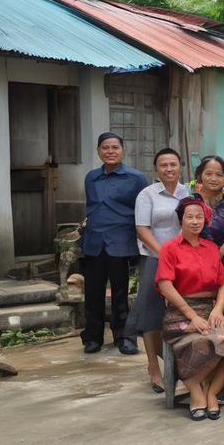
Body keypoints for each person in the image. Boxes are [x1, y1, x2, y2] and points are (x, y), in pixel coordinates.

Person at [156, 196, 224, 421]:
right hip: (179, 313)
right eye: (189, 217)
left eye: (199, 217)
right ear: (181, 220)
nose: (194, 221)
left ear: (205, 220)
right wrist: (191, 315)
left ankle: (211, 394)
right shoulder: (169, 249)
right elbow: (164, 285)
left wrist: (218, 310)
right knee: (198, 342)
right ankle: (196, 393)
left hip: (209, 310)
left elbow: (222, 283)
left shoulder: (211, 248)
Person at [81, 132, 148, 355]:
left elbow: (143, 209)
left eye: (114, 147)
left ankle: (124, 337)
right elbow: (92, 207)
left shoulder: (136, 178)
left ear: (122, 150)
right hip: (93, 242)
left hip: (120, 242)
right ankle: (92, 338)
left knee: (120, 294)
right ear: (99, 151)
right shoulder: (91, 177)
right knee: (92, 293)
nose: (110, 152)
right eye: (105, 148)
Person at [128, 148, 188, 392]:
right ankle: (153, 365)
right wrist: (164, 252)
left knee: (180, 309)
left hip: (183, 258)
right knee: (151, 313)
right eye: (163, 165)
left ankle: (182, 362)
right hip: (155, 257)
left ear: (180, 166)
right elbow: (142, 229)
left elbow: (193, 221)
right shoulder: (147, 194)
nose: (169, 169)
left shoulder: (188, 192)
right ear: (156, 169)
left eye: (173, 164)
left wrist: (179, 252)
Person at [195, 156, 224, 272]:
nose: (214, 179)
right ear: (200, 176)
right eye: (208, 174)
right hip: (193, 261)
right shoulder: (189, 202)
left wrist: (218, 255)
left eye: (219, 175)